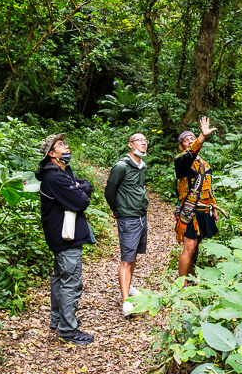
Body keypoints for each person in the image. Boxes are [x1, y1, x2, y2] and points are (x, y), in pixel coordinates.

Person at [35, 133, 95, 345]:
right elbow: (80, 202)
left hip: (62, 236)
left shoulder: (63, 172)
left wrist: (81, 188)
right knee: (71, 281)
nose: (66, 147)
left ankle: (57, 320)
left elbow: (83, 186)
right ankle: (68, 331)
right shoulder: (55, 177)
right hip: (65, 238)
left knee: (60, 278)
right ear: (52, 154)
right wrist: (81, 190)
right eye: (61, 145)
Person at [174, 117, 226, 284]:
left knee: (196, 249)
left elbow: (208, 187)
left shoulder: (205, 164)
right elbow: (190, 154)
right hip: (190, 210)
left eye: (192, 138)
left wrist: (214, 207)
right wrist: (202, 137)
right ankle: (181, 286)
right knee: (188, 248)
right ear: (181, 146)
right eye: (185, 140)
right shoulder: (181, 162)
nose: (189, 141)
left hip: (204, 210)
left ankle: (191, 278)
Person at [104, 133, 149, 317]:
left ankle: (129, 286)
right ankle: (126, 302)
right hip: (128, 217)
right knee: (126, 259)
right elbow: (109, 190)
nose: (144, 143)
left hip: (141, 216)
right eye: (140, 140)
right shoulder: (121, 166)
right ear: (130, 145)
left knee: (134, 255)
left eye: (146, 141)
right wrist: (116, 208)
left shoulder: (142, 166)